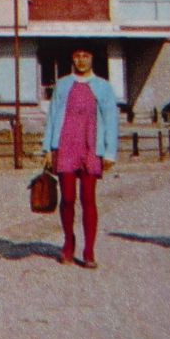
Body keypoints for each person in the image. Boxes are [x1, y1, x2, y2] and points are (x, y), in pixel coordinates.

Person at [42, 46, 119, 269]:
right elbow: (53, 115)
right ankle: (68, 242)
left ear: (93, 58)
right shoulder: (63, 84)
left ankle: (89, 249)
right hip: (65, 146)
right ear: (72, 58)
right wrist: (48, 148)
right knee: (67, 198)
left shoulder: (103, 87)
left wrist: (109, 151)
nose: (81, 60)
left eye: (86, 56)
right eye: (77, 56)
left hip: (91, 147)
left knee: (88, 199)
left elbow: (111, 120)